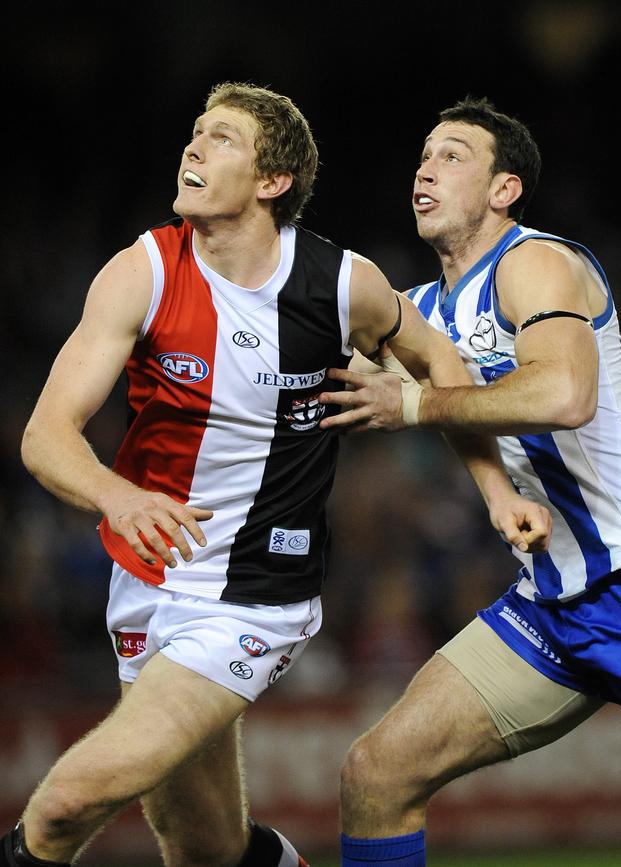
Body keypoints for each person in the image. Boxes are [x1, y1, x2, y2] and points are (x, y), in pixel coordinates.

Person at [4, 85, 550, 867]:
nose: (193, 147)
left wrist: (494, 489)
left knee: (62, 808)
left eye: (220, 138)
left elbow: (436, 360)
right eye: (195, 132)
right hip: (148, 579)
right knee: (206, 848)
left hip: (256, 591)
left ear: (273, 181)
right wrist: (116, 496)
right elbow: (44, 436)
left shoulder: (338, 283)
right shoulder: (143, 270)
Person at [319, 95, 621, 867]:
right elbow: (335, 377)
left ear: (505, 189)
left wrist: (417, 401)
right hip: (555, 604)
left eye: (452, 155)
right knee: (377, 773)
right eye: (423, 154)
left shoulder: (535, 262)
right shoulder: (424, 313)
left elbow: (566, 395)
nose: (425, 167)